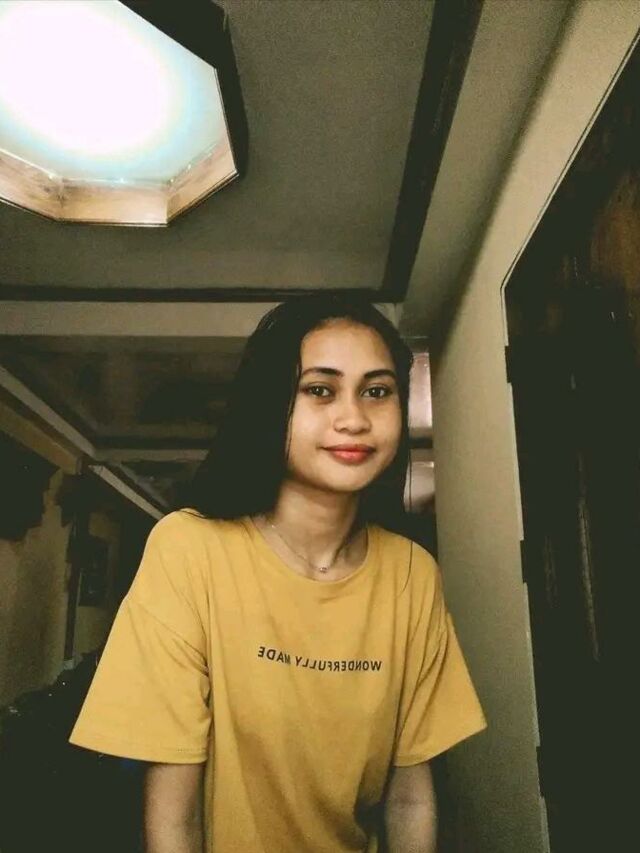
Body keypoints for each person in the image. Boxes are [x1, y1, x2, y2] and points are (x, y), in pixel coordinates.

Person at [69, 295, 487, 853]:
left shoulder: (412, 573)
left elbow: (409, 797)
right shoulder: (190, 549)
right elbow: (173, 816)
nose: (354, 419)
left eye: (377, 391)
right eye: (320, 390)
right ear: (271, 405)